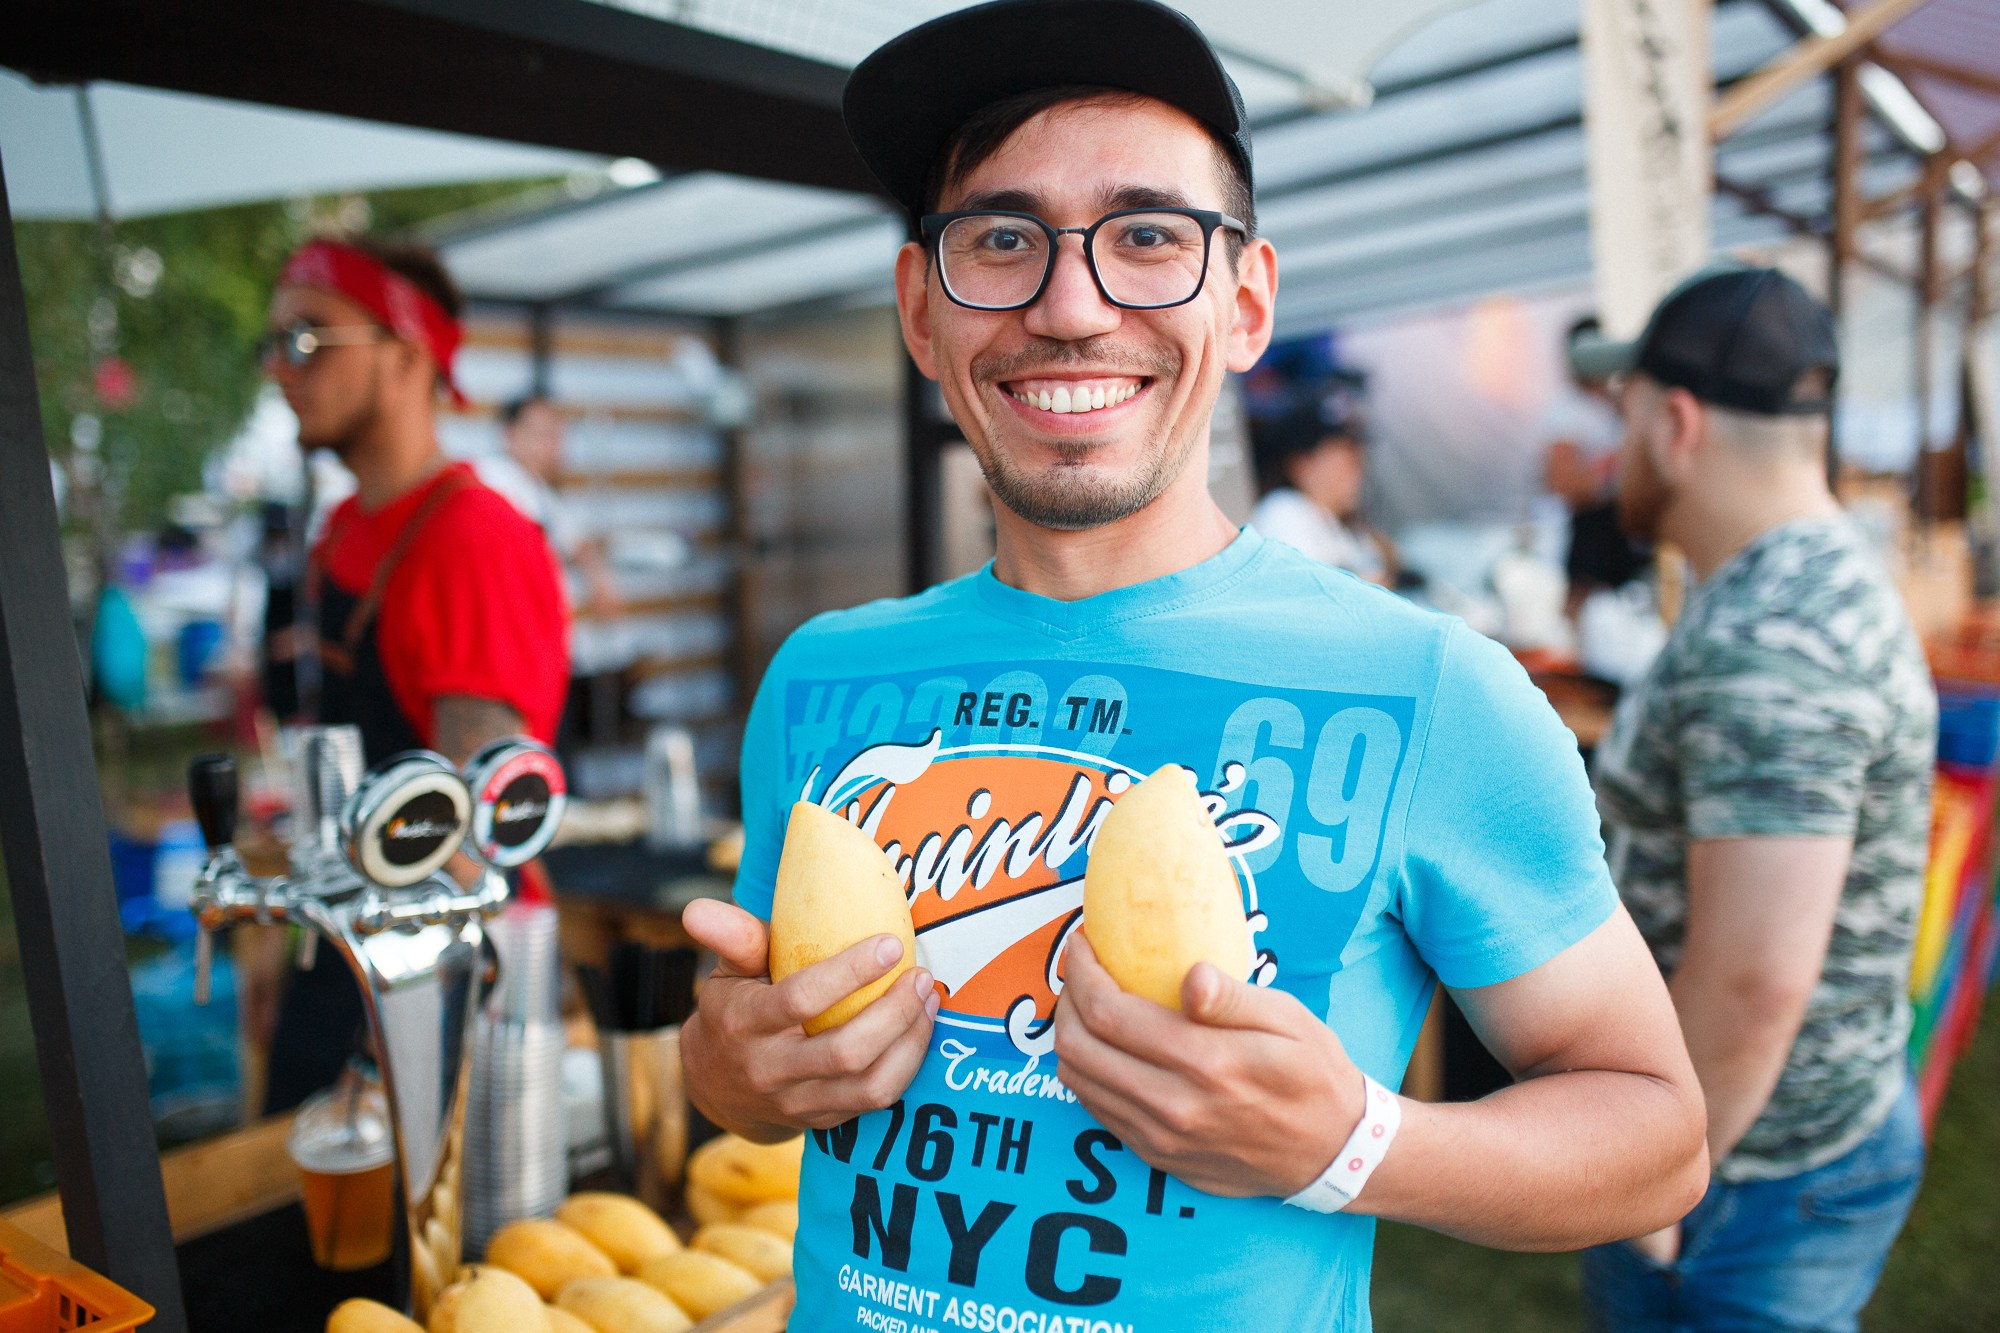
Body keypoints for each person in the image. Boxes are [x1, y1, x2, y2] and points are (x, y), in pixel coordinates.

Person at [679, 3, 1706, 1326]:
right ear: (920, 313)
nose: (1069, 305)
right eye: (1001, 239)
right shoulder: (819, 679)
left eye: (1149, 237)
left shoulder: (1431, 688)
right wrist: (727, 1072)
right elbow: (752, 1046)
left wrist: (1350, 1143)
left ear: (1246, 302)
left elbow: (1658, 1137)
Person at [1579, 267, 1936, 1331]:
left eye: (1626, 407)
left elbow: (1752, 978)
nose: (1615, 440)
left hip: (1747, 1178)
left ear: (1675, 421)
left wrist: (1662, 1174)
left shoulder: (1771, 640)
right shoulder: (1803, 583)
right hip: (1780, 1141)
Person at [250, 236, 570, 1112]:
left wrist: (388, 1056)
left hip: (430, 979)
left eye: (310, 339)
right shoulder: (341, 528)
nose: (281, 369)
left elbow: (485, 833)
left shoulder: (470, 538)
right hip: (341, 945)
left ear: (404, 357)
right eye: (273, 345)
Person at [478, 394, 623, 622]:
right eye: (543, 434)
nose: (554, 443)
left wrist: (599, 579)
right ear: (510, 434)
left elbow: (575, 541)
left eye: (557, 433)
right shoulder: (491, 481)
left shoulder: (537, 489)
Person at [1544, 316, 1652, 615]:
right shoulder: (1566, 412)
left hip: (1626, 530)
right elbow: (1563, 485)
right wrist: (1612, 471)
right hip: (1593, 529)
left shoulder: (1614, 400)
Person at [1248, 389, 1397, 584]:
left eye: (1358, 456)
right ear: (1302, 464)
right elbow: (1300, 595)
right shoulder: (1283, 512)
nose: (1357, 468)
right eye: (1344, 457)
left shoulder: (1342, 524)